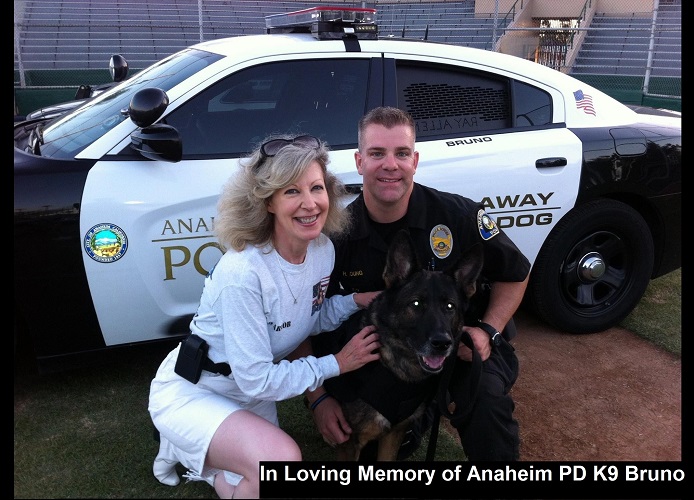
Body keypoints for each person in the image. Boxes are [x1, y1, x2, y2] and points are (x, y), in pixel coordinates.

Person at [148, 133, 381, 499]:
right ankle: (183, 437)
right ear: (267, 202)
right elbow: (257, 378)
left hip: (249, 392)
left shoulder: (321, 250)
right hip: (197, 389)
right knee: (282, 461)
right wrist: (336, 363)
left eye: (316, 188)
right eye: (291, 191)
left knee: (263, 480)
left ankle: (194, 456)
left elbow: (305, 319)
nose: (310, 204)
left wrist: (354, 300)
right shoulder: (243, 273)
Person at [308, 107, 530, 461]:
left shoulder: (459, 215)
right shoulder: (334, 236)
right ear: (359, 161)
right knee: (365, 449)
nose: (390, 165)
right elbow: (304, 320)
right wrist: (319, 398)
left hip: (458, 343)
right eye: (377, 153)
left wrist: (489, 330)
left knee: (483, 398)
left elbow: (516, 273)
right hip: (382, 356)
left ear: (415, 160)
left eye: (401, 153)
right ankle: (418, 414)